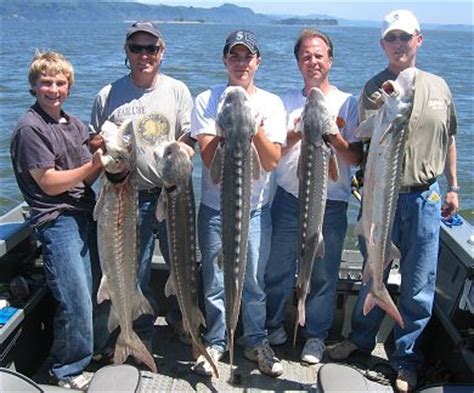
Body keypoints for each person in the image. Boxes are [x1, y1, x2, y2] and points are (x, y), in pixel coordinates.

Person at [326, 10, 459, 393]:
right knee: (372, 267)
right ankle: (361, 340)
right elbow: (363, 141)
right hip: (380, 196)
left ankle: (406, 360)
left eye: (405, 37)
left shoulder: (439, 87)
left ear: (420, 40)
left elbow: (449, 137)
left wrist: (453, 185)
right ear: (383, 44)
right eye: (391, 38)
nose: (399, 44)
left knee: (419, 282)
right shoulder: (373, 87)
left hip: (425, 197)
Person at [89, 21, 194, 355]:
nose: (144, 55)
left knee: (187, 261)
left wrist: (186, 150)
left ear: (161, 53)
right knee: (137, 269)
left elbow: (187, 137)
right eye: (137, 48)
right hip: (128, 197)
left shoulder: (177, 91)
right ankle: (141, 332)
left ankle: (185, 320)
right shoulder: (108, 95)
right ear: (127, 52)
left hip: (172, 194)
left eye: (151, 48)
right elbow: (94, 143)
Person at [191, 30, 287, 377]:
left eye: (248, 56)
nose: (241, 62)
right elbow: (208, 163)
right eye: (235, 56)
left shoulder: (272, 104)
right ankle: (216, 342)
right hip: (215, 210)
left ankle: (255, 340)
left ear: (257, 61)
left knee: (253, 281)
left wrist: (252, 129)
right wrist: (224, 128)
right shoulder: (206, 100)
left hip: (256, 211)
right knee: (215, 278)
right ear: (224, 60)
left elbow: (273, 160)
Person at [264, 29, 362, 364]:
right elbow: (273, 153)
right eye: (306, 56)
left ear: (330, 60)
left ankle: (315, 336)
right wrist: (299, 130)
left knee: (323, 272)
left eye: (319, 55)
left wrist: (331, 136)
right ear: (297, 62)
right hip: (287, 199)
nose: (313, 61)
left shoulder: (348, 103)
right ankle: (272, 325)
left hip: (331, 204)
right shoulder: (284, 102)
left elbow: (355, 158)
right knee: (276, 269)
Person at [10, 51, 104, 390]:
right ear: (33, 86)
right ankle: (64, 369)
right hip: (56, 220)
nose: (53, 89)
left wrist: (104, 161)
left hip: (85, 214)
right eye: (46, 82)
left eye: (60, 83)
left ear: (69, 86)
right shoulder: (29, 129)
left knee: (95, 291)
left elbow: (83, 181)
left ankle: (91, 352)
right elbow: (49, 183)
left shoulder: (74, 123)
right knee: (75, 297)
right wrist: (96, 163)